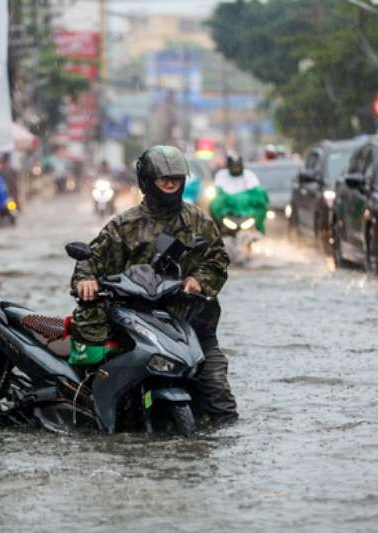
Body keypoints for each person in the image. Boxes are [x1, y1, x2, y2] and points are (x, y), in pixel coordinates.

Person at [70, 145, 238, 425]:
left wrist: (198, 280)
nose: (171, 184)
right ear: (148, 181)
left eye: (176, 179)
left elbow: (217, 259)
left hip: (191, 330)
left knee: (221, 403)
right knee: (103, 398)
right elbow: (93, 258)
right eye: (164, 179)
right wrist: (86, 279)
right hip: (137, 329)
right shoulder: (124, 226)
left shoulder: (198, 221)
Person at [210, 152, 269, 232]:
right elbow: (217, 197)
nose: (236, 168)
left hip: (247, 215)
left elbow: (258, 195)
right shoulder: (221, 175)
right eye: (233, 166)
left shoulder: (249, 175)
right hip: (228, 214)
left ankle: (258, 230)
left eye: (237, 166)